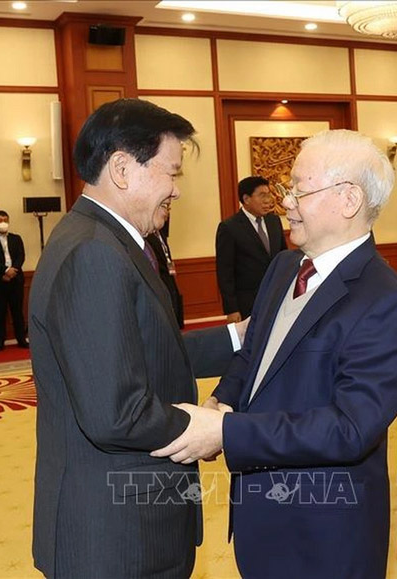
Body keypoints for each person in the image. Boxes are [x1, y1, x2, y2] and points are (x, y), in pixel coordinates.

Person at [153, 130, 397, 578]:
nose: (286, 202)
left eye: (299, 188)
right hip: (260, 512)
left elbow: (351, 427)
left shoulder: (386, 300)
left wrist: (226, 432)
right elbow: (254, 353)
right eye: (286, 188)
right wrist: (224, 399)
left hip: (324, 529)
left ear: (348, 199)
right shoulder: (283, 267)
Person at [29, 98, 246, 578]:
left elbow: (142, 349)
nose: (177, 191)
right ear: (123, 169)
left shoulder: (104, 239)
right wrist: (201, 431)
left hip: (127, 516)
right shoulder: (95, 254)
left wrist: (237, 336)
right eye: (172, 174)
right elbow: (115, 412)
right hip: (116, 533)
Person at [215, 176, 287, 322]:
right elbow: (225, 272)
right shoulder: (229, 227)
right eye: (262, 195)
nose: (268, 200)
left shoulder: (274, 221)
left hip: (275, 298)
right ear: (246, 199)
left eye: (269, 194)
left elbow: (283, 257)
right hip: (247, 303)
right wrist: (232, 309)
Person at [0, 210, 28, 350]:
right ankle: (0, 342)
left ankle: (21, 339)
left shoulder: (16, 238)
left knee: (17, 312)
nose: (2, 223)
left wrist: (13, 269)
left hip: (16, 279)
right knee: (0, 313)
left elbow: (21, 256)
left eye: (5, 220)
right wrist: (5, 270)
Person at [145, 221, 184, 328]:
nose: (167, 212)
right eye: (165, 206)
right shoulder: (146, 236)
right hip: (160, 285)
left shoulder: (161, 234)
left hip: (170, 284)